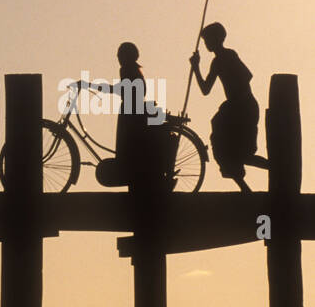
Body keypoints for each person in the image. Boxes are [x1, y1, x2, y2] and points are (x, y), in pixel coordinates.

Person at [81, 41, 169, 189]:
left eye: (120, 54)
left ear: (125, 56)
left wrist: (91, 86)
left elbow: (121, 90)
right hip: (135, 110)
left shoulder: (126, 69)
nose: (117, 57)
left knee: (127, 149)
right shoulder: (134, 69)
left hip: (131, 113)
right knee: (130, 150)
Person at [190, 22, 267, 191]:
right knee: (226, 149)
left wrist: (234, 104)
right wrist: (196, 67)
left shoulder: (229, 56)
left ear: (219, 38)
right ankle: (245, 186)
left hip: (244, 107)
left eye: (208, 39)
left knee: (240, 152)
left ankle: (275, 169)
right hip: (236, 108)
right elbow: (205, 90)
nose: (207, 44)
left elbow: (247, 77)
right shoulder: (217, 62)